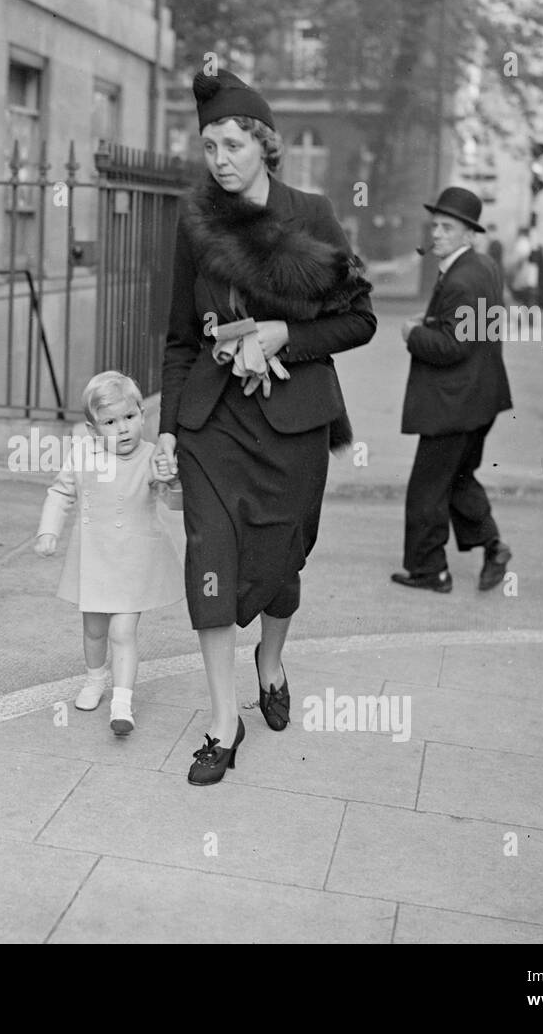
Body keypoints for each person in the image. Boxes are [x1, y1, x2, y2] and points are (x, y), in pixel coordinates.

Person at [153, 69, 376, 786]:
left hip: (292, 425)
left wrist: (284, 332)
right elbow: (180, 337)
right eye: (209, 144)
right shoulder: (197, 222)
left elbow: (360, 317)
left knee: (283, 564)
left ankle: (270, 659)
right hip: (213, 424)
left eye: (233, 144)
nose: (219, 158)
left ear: (264, 145)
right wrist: (166, 429)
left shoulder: (309, 215)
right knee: (210, 562)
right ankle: (224, 721)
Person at [35, 372, 183, 735]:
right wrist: (48, 530)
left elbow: (175, 503)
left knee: (122, 631)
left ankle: (122, 702)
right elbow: (61, 492)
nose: (123, 429)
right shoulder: (84, 455)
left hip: (135, 562)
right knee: (95, 629)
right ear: (92, 428)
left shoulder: (151, 457)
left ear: (142, 415)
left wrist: (172, 479)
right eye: (110, 422)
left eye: (130, 417)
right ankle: (94, 678)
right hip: (95, 561)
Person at [394, 186, 512, 594]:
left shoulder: (462, 279)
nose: (437, 235)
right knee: (458, 478)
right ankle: (493, 546)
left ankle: (431, 571)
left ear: (468, 234)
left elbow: (452, 346)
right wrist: (432, 322)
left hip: (453, 402)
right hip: (480, 397)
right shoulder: (484, 266)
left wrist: (413, 333)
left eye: (447, 228)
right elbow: (474, 327)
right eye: (435, 227)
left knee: (428, 488)